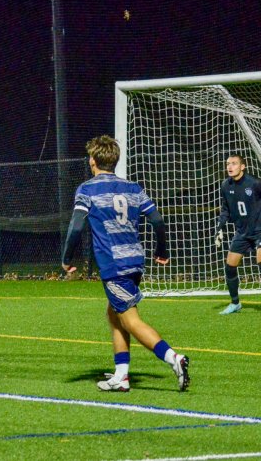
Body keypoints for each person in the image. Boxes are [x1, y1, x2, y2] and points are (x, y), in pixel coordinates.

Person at [61, 135, 189, 393]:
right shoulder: (134, 188)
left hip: (114, 265)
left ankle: (174, 359)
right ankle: (122, 375)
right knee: (114, 314)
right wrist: (161, 250)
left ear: (93, 161)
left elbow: (76, 226)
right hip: (135, 260)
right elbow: (158, 220)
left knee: (130, 319)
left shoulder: (87, 189)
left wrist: (66, 258)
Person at [214, 153, 261, 315]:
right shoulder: (225, 186)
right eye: (228, 164)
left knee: (260, 261)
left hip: (259, 230)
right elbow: (226, 209)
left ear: (242, 166)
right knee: (230, 266)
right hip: (242, 232)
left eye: (234, 163)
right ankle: (235, 303)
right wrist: (219, 227)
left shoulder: (254, 183)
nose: (230, 167)